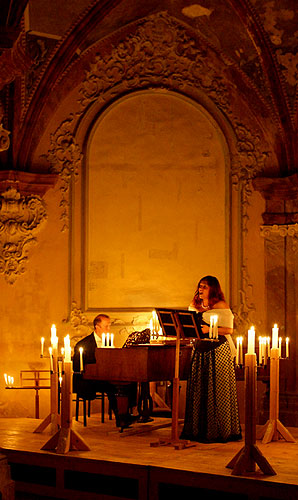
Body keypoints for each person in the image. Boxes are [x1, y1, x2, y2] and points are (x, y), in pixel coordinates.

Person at [180, 275, 242, 443]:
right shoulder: (195, 306)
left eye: (205, 286)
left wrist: (209, 329)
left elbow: (229, 330)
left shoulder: (221, 306)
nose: (201, 289)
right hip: (200, 350)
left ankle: (219, 431)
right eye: (200, 286)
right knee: (200, 388)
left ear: (213, 289)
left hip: (218, 349)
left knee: (217, 389)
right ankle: (198, 430)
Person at [73, 314, 135, 429]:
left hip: (106, 376)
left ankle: (127, 413)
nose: (109, 329)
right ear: (97, 327)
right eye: (106, 326)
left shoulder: (109, 342)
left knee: (130, 382)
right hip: (89, 380)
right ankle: (120, 418)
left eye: (109, 326)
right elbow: (77, 367)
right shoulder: (84, 344)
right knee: (112, 386)